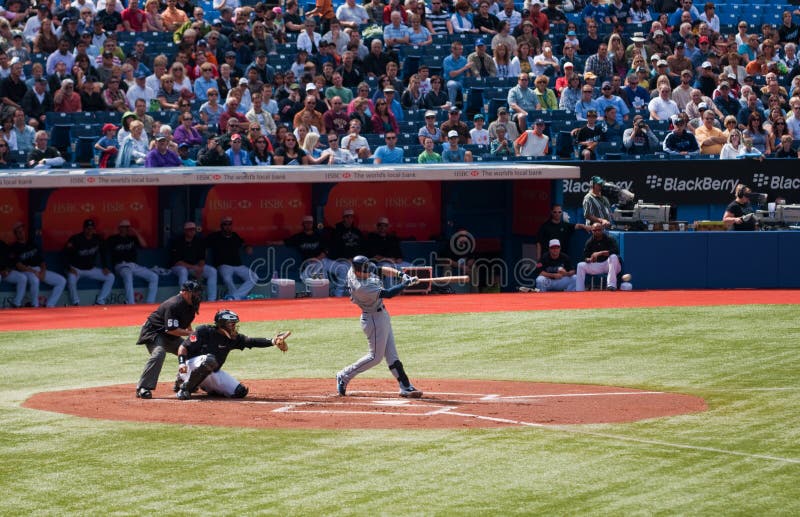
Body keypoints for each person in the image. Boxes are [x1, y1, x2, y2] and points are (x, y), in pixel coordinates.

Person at [335, 255, 423, 398]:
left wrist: (402, 275)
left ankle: (405, 386)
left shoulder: (354, 270)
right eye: (365, 271)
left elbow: (382, 270)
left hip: (382, 316)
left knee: (392, 355)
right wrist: (405, 284)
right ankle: (344, 375)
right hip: (373, 319)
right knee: (375, 357)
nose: (369, 272)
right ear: (357, 272)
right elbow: (388, 294)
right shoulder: (362, 288)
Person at [175, 309, 291, 400]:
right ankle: (185, 388)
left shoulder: (232, 338)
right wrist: (181, 364)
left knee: (240, 392)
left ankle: (206, 386)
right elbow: (183, 347)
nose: (234, 327)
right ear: (222, 324)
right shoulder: (204, 331)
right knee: (210, 360)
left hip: (211, 372)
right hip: (189, 367)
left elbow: (251, 341)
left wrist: (273, 341)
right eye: (232, 324)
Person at [134, 280, 202, 399]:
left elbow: (187, 323)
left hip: (170, 335)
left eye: (198, 293)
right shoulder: (173, 305)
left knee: (193, 351)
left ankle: (181, 381)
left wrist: (192, 338)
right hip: (154, 333)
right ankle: (143, 387)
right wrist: (191, 333)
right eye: (194, 293)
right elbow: (171, 329)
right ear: (185, 293)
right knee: (159, 353)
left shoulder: (191, 304)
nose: (197, 296)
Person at [9, 222, 66, 308]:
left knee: (62, 281)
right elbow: (19, 266)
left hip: (38, 269)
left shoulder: (32, 243)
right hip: (26, 271)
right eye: (18, 232)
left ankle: (50, 305)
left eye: (22, 231)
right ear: (15, 234)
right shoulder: (14, 247)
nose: (21, 233)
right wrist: (34, 271)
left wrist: (42, 272)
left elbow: (42, 261)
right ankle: (35, 305)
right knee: (35, 279)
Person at [106, 219, 159, 305]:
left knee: (154, 276)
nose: (126, 229)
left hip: (133, 265)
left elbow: (144, 245)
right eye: (124, 227)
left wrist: (136, 233)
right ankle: (131, 303)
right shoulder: (113, 239)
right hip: (120, 265)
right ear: (119, 228)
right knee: (128, 275)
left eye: (128, 227)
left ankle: (150, 302)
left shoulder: (132, 238)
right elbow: (104, 248)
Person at [63, 219, 115, 306]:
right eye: (88, 228)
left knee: (110, 276)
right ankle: (75, 302)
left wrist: (105, 266)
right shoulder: (75, 239)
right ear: (84, 229)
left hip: (91, 269)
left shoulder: (97, 238)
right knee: (71, 278)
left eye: (91, 228)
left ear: (94, 229)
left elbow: (103, 252)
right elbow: (64, 254)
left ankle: (100, 301)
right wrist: (69, 268)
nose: (89, 230)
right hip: (76, 269)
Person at [206, 216, 255, 301]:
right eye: (225, 224)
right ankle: (236, 297)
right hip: (223, 265)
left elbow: (243, 244)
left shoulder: (235, 236)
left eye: (229, 224)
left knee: (254, 277)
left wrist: (248, 247)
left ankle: (235, 297)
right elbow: (203, 244)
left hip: (238, 265)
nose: (228, 226)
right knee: (227, 279)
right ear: (221, 226)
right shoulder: (215, 236)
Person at [169, 221, 218, 302]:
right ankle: (184, 299)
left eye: (194, 229)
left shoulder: (198, 241)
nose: (192, 231)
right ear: (185, 230)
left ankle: (212, 299)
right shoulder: (177, 241)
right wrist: (195, 268)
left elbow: (202, 258)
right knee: (183, 271)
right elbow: (177, 262)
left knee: (212, 271)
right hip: (178, 267)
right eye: (190, 229)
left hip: (193, 267)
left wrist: (200, 268)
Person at [575, 223, 622, 291]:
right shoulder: (590, 241)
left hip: (610, 265)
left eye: (599, 230)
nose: (597, 232)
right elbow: (585, 257)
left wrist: (600, 253)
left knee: (613, 257)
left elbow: (616, 251)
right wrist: (589, 259)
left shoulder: (609, 239)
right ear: (592, 231)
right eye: (595, 230)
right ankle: (579, 289)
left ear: (602, 230)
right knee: (580, 265)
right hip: (598, 265)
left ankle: (611, 285)